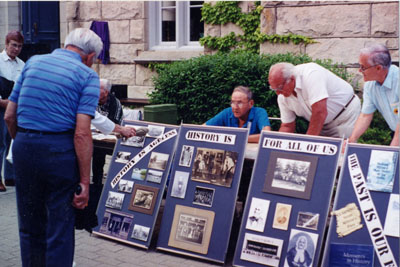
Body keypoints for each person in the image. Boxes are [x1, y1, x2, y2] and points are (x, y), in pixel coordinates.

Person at [4, 28, 103, 267]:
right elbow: (81, 133)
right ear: (89, 57)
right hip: (59, 151)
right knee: (59, 226)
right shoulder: (87, 76)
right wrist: (84, 182)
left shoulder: (32, 63)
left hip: (24, 146)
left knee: (29, 225)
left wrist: (27, 142)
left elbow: (9, 115)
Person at [268, 62, 361, 138]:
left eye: (279, 88)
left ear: (291, 79)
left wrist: (307, 143)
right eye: (274, 89)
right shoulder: (282, 97)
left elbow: (320, 112)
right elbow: (287, 126)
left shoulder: (311, 74)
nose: (277, 93)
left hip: (345, 115)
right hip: (323, 122)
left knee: (341, 153)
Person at [349, 44, 399, 146]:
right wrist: (351, 141)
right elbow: (365, 115)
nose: (359, 70)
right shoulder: (369, 85)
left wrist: (392, 152)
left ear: (378, 68)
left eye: (363, 67)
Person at [92, 78, 128, 186]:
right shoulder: (92, 100)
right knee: (97, 151)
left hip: (113, 139)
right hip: (97, 136)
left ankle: (115, 182)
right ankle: (96, 182)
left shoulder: (115, 103)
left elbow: (114, 123)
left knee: (101, 151)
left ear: (106, 92)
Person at [0, 30, 24, 192]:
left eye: (20, 46)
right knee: (0, 143)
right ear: (6, 44)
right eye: (14, 45)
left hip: (14, 106)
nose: (16, 49)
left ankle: (10, 176)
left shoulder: (22, 65)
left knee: (12, 140)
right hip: (0, 105)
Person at [205, 86, 271, 143]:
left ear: (251, 103)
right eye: (233, 103)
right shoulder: (227, 112)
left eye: (240, 103)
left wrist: (235, 138)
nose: (235, 107)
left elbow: (267, 135)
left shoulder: (259, 112)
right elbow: (202, 129)